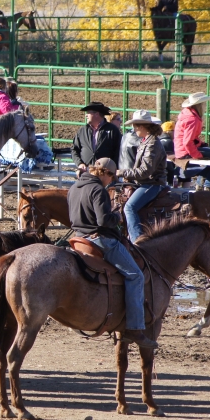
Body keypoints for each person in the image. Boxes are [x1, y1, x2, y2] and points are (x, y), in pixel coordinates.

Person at [67, 157, 159, 349]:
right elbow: (103, 221)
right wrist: (116, 216)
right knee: (135, 276)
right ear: (105, 173)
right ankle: (134, 328)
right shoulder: (98, 190)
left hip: (79, 238)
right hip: (101, 240)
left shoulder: (74, 187)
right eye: (111, 178)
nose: (111, 182)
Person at [117, 110, 168, 243]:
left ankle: (138, 240)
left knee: (129, 207)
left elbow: (145, 171)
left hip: (152, 184)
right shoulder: (146, 141)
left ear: (144, 126)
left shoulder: (152, 144)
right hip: (146, 182)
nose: (134, 129)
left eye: (136, 126)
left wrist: (122, 172)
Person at [173, 92, 210, 190]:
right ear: (200, 105)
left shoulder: (186, 115)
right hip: (186, 151)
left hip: (180, 149)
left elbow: (188, 139)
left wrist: (200, 144)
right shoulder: (193, 119)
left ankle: (201, 183)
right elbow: (188, 142)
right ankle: (209, 185)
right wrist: (197, 155)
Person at [71, 102, 122, 172]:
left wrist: (112, 170)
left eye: (88, 113)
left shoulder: (112, 130)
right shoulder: (82, 131)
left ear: (96, 114)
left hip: (105, 174)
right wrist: (79, 163)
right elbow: (74, 149)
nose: (86, 115)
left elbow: (118, 151)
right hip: (86, 173)